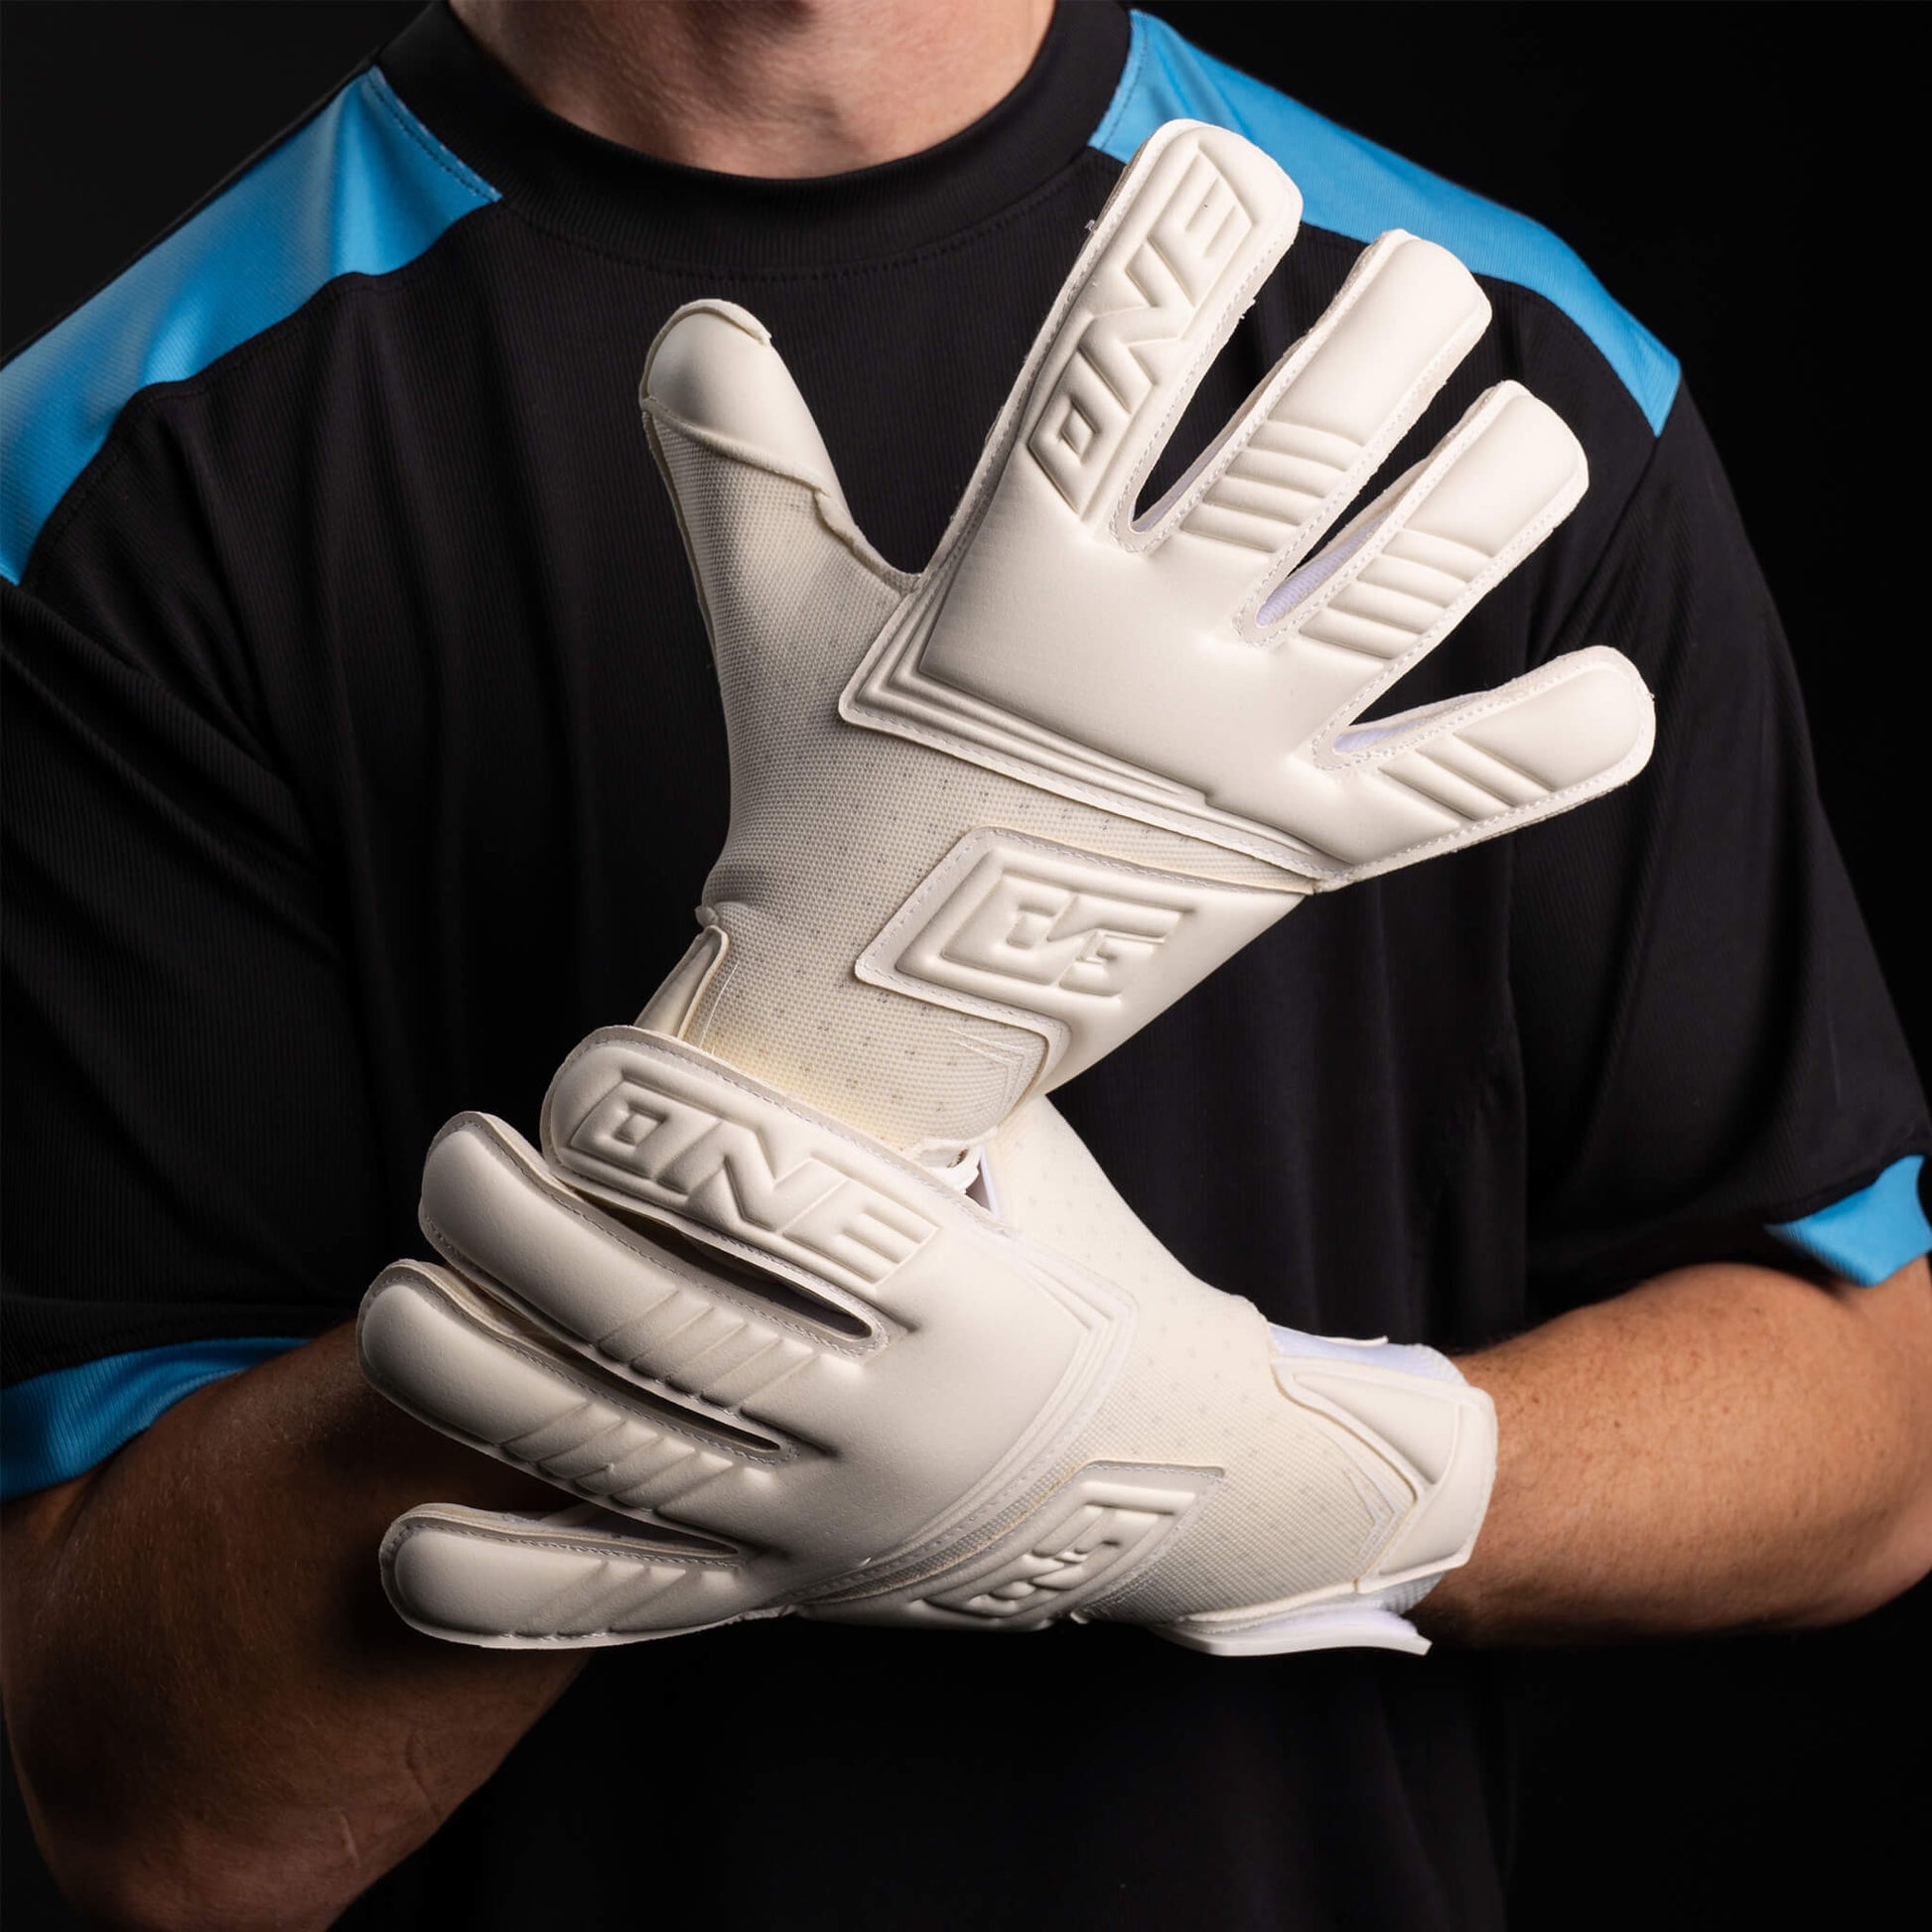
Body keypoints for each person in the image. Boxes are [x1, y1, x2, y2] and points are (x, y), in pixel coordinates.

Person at [3, 2, 1927, 1926]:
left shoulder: (1489, 376)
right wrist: (832, 1040)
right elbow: (174, 1824)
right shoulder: (111, 475)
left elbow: (1878, 1427)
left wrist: (1276, 1473)